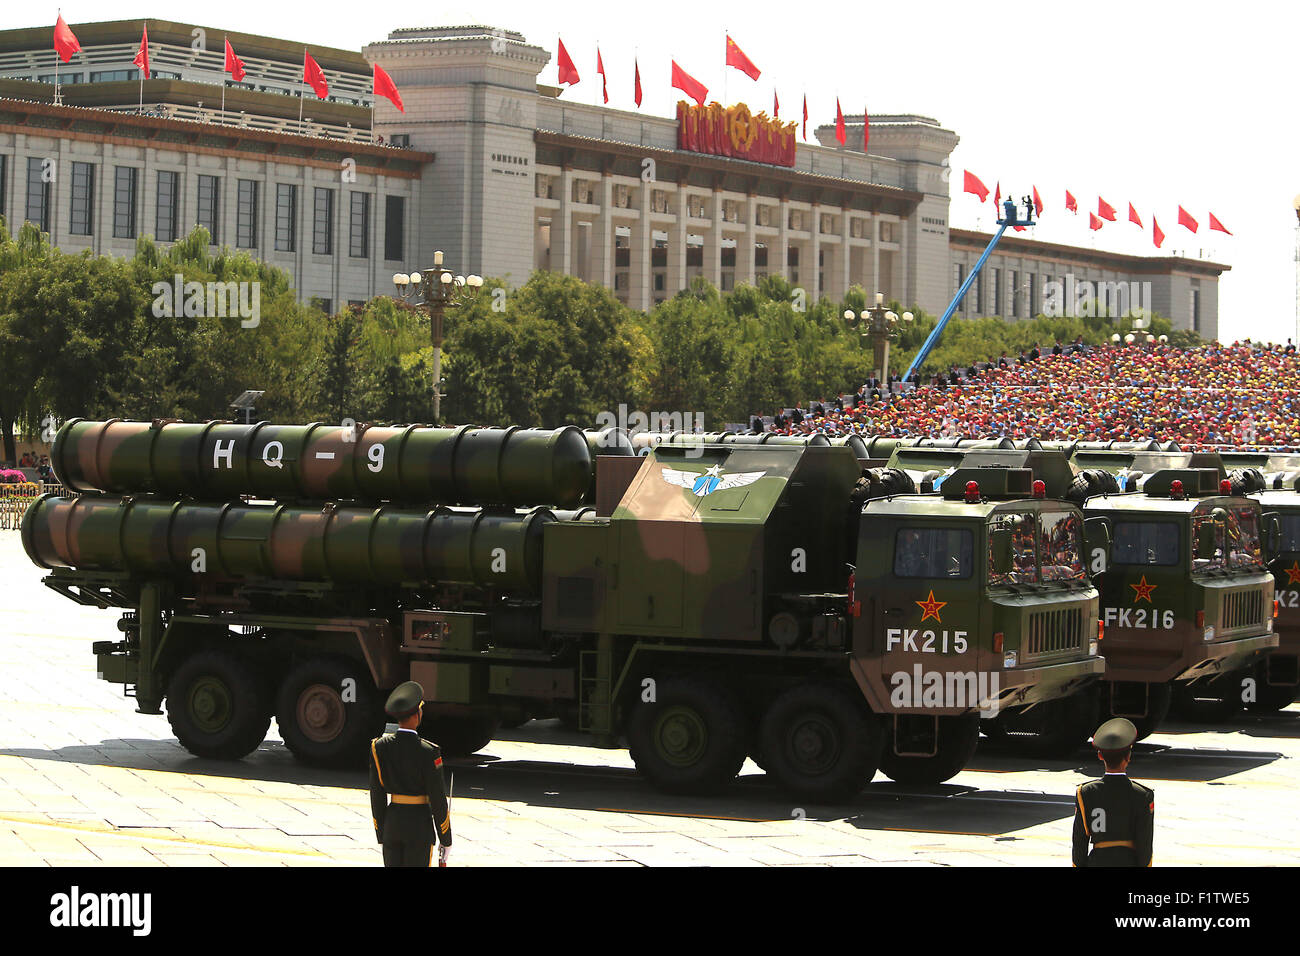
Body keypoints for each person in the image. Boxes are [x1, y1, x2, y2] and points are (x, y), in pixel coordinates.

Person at [369, 681, 454, 867]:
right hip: (419, 825)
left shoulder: (379, 747)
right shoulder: (428, 751)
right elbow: (437, 798)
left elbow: (377, 793)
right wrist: (445, 838)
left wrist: (382, 831)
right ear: (417, 714)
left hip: (393, 823)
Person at [1071, 717, 1154, 867]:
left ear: (1100, 756)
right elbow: (1144, 845)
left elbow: (1079, 842)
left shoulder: (1085, 792)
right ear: (1128, 757)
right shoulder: (1143, 795)